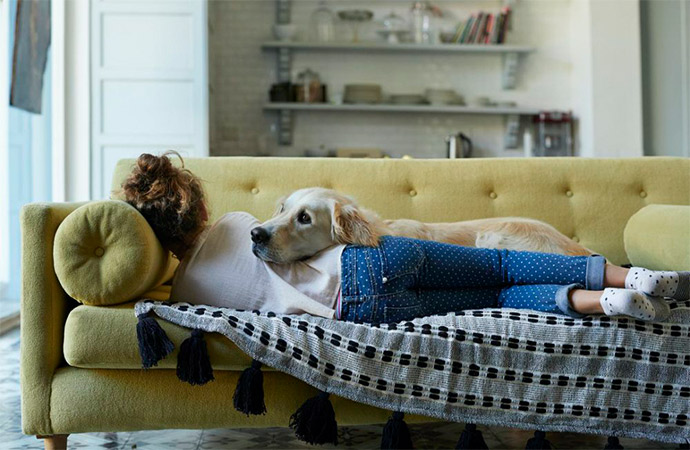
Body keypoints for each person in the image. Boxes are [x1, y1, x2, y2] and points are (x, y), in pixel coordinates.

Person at [121, 152, 688, 324]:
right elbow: (357, 237)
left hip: (365, 314)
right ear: (196, 202)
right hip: (386, 259)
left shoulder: (189, 294)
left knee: (498, 297)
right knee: (501, 271)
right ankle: (622, 278)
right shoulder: (242, 226)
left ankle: (607, 301)